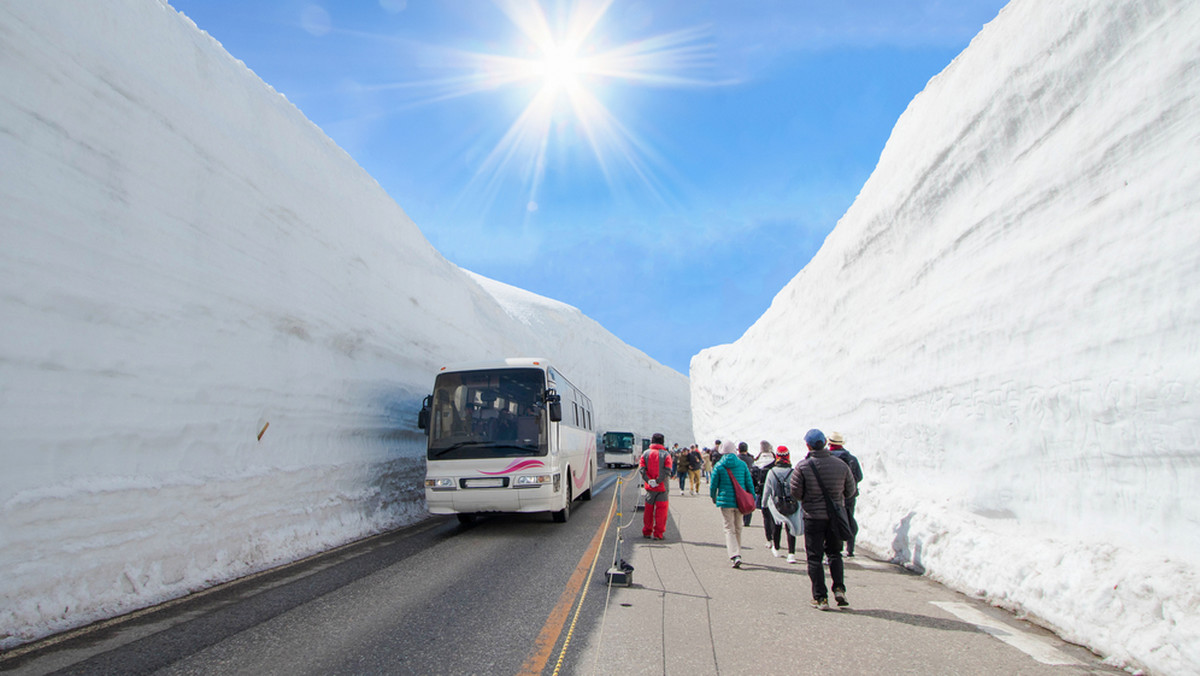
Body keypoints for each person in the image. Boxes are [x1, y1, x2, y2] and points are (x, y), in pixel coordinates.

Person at [790, 429, 856, 610]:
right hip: (835, 517)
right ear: (825, 443)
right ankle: (840, 589)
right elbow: (850, 491)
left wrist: (810, 498)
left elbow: (796, 492)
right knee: (835, 553)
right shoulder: (841, 465)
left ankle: (820, 597)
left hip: (813, 517)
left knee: (814, 557)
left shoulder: (803, 466)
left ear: (808, 445)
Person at [710, 439, 756, 568]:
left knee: (729, 528)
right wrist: (752, 497)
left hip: (726, 501)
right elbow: (749, 483)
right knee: (738, 527)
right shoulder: (742, 465)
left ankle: (735, 555)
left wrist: (714, 497)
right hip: (740, 501)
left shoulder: (719, 465)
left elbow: (713, 485)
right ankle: (738, 552)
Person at [761, 445, 802, 563]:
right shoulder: (793, 472)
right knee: (790, 527)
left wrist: (764, 505)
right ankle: (791, 553)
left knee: (777, 525)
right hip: (791, 504)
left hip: (776, 503)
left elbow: (767, 491)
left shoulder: (771, 472)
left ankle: (777, 548)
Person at [828, 432, 863, 557]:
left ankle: (837, 546)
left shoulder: (828, 459)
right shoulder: (852, 459)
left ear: (829, 443)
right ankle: (850, 548)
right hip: (849, 495)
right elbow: (859, 476)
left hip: (834, 495)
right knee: (848, 519)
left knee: (832, 521)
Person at [639, 433, 672, 540]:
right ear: (662, 442)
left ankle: (647, 531)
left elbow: (642, 469)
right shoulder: (666, 454)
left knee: (648, 510)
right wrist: (658, 481)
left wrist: (649, 480)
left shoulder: (645, 454)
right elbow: (667, 471)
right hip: (662, 488)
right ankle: (658, 534)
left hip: (650, 488)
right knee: (661, 511)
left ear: (652, 441)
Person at [736, 442, 757, 526]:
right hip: (749, 481)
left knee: (739, 501)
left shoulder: (737, 459)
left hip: (739, 482)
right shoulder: (750, 459)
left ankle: (738, 519)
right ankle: (747, 520)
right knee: (748, 501)